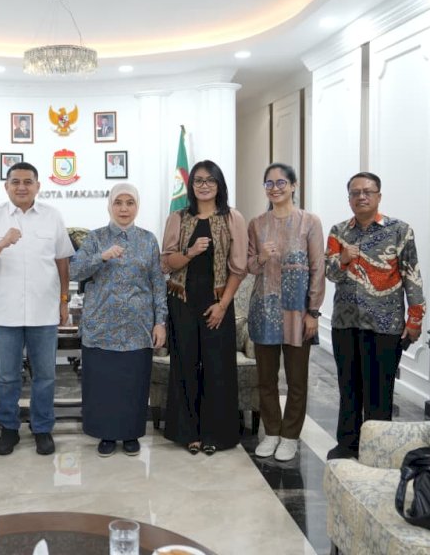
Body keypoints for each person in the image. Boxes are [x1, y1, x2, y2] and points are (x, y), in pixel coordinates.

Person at [0, 162, 75, 456]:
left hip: (44, 311)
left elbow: (62, 261)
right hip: (5, 312)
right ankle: (9, 428)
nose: (21, 187)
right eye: (15, 181)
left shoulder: (52, 216)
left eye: (27, 182)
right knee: (8, 376)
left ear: (37, 186)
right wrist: (3, 242)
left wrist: (64, 300)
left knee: (45, 375)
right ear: (6, 186)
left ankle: (42, 429)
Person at [325, 172, 425, 460]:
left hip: (385, 325)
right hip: (345, 323)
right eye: (355, 192)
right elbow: (330, 274)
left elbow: (412, 276)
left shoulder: (399, 231)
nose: (361, 197)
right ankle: (347, 444)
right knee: (348, 388)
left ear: (379, 196)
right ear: (349, 199)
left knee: (380, 392)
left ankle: (378, 448)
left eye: (367, 191)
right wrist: (343, 259)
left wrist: (415, 319)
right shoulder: (338, 232)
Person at [69, 183, 167, 456]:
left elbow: (158, 283)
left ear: (137, 206)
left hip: (138, 327)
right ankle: (106, 434)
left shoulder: (148, 240)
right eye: (118, 203)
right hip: (101, 326)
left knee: (133, 383)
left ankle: (131, 433)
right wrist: (101, 257)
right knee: (103, 384)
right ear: (110, 206)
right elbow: (74, 271)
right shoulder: (96, 238)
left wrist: (160, 321)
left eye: (130, 203)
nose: (124, 208)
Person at [161, 159, 248, 455]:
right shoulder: (178, 218)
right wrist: (189, 252)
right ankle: (188, 433)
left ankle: (216, 434)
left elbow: (239, 268)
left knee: (217, 367)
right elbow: (167, 263)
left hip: (217, 302)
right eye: (198, 180)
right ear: (191, 185)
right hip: (182, 300)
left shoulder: (232, 218)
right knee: (184, 364)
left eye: (210, 180)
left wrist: (223, 305)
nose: (204, 185)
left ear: (219, 185)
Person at [247, 163, 325, 462]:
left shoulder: (310, 222)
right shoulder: (257, 224)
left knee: (297, 380)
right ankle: (272, 432)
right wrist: (261, 257)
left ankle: (290, 436)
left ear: (294, 186)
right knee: (266, 379)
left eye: (281, 182)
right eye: (269, 183)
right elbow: (249, 267)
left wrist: (313, 311)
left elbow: (317, 267)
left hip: (298, 313)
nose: (275, 188)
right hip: (264, 309)